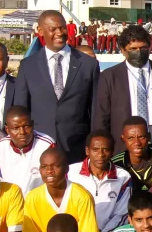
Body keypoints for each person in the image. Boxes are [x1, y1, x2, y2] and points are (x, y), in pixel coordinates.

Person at [13, 10, 100, 163]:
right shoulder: (28, 65)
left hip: (76, 147)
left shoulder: (88, 64)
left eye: (62, 28)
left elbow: (95, 109)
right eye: (53, 29)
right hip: (38, 147)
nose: (59, 33)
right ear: (40, 31)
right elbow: (21, 108)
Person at [93, 25, 152, 154]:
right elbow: (102, 118)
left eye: (143, 48)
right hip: (122, 150)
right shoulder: (109, 77)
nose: (139, 52)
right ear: (123, 50)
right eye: (133, 49)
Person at [22, 148, 100, 232]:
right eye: (44, 167)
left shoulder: (82, 197)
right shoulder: (32, 198)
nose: (49, 171)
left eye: (56, 166)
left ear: (66, 169)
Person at [68, 130, 133, 232]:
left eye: (106, 150)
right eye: (95, 150)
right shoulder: (70, 173)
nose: (101, 155)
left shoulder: (123, 177)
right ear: (87, 151)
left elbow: (122, 213)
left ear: (112, 152)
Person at [0, 106, 56, 195]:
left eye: (26, 126)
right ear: (7, 129)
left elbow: (58, 179)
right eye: (16, 128)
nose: (22, 132)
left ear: (32, 124)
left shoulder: (47, 145)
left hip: (38, 203)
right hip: (10, 205)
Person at [110, 117, 152, 193]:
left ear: (148, 137)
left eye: (141, 137)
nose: (137, 143)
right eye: (130, 138)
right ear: (123, 139)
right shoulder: (115, 165)